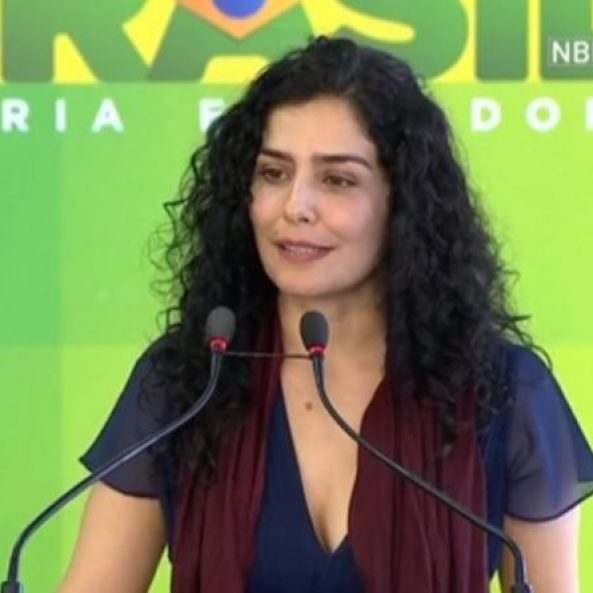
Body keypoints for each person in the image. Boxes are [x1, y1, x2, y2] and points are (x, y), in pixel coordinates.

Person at [58, 36, 593, 593]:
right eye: (273, 173)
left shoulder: (506, 393)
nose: (295, 207)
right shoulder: (188, 383)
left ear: (403, 204)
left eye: (337, 180)